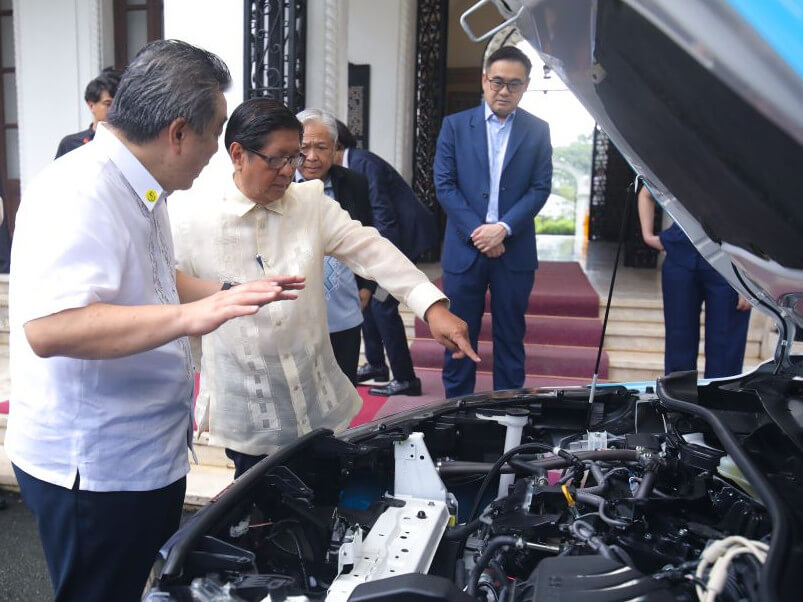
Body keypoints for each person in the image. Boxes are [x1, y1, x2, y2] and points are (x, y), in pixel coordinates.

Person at [5, 40, 304, 602]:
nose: (217, 151)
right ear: (177, 133)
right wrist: (195, 315)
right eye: (215, 134)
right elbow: (52, 328)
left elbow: (155, 279)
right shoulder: (77, 190)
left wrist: (232, 291)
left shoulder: (144, 188)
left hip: (144, 450)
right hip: (94, 466)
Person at [170, 97, 479, 479]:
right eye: (277, 159)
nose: (289, 171)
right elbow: (168, 291)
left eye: (294, 158)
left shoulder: (310, 204)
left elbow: (371, 249)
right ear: (238, 154)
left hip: (314, 391)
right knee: (259, 505)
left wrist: (431, 306)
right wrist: (224, 294)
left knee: (327, 490)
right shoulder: (190, 217)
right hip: (249, 401)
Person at [434, 45, 552, 397]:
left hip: (513, 251)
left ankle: (508, 415)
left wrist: (503, 228)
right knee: (457, 335)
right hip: (464, 250)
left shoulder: (537, 130)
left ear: (526, 86)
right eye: (498, 81)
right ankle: (456, 415)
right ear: (484, 80)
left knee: (511, 335)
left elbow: (540, 186)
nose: (504, 91)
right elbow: (445, 184)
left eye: (514, 84)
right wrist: (479, 232)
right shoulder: (454, 126)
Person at [335, 120, 438, 396]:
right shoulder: (345, 167)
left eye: (318, 146)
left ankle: (406, 379)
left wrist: (380, 269)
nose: (310, 156)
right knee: (366, 302)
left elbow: (385, 218)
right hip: (383, 244)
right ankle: (376, 365)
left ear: (336, 143)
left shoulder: (362, 164)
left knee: (382, 306)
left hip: (403, 240)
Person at [294, 109, 374, 385]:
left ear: (335, 149)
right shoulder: (278, 183)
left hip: (343, 309)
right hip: (295, 313)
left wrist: (367, 285)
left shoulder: (354, 183)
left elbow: (365, 234)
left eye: (321, 147)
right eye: (304, 148)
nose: (312, 157)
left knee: (342, 390)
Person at [637, 185, 751, 377]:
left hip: (729, 264)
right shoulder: (680, 163)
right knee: (678, 340)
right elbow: (646, 193)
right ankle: (679, 403)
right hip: (680, 257)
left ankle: (720, 403)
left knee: (726, 347)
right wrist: (648, 236)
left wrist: (749, 280)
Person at [55, 67, 122, 158]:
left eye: (118, 104)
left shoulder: (129, 144)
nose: (114, 109)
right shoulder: (70, 144)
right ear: (91, 105)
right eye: (108, 104)